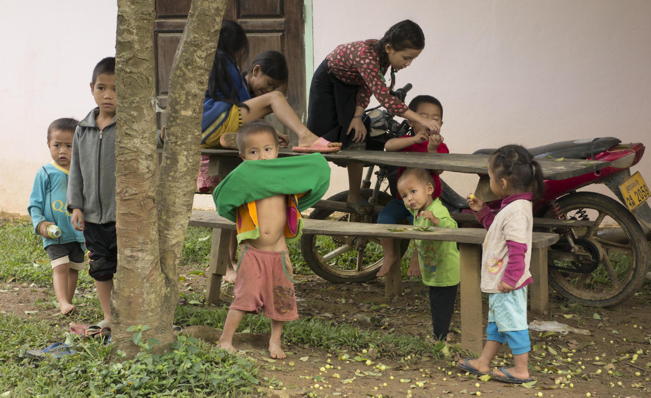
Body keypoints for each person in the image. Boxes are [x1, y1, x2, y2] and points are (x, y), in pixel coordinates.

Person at [212, 121, 330, 359]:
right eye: (253, 152)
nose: (262, 157)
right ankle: (225, 339)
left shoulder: (284, 183)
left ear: (277, 150)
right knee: (245, 297)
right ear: (243, 156)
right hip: (252, 252)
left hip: (277, 252)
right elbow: (224, 197)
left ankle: (274, 342)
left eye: (267, 149)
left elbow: (317, 167)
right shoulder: (246, 182)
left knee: (281, 299)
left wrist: (285, 255)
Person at [307, 19, 441, 210]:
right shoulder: (367, 56)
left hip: (349, 89)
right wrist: (420, 118)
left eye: (412, 59)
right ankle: (302, 192)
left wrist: (356, 117)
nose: (408, 64)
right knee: (317, 139)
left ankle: (354, 196)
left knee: (357, 135)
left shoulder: (382, 59)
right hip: (328, 84)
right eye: (406, 58)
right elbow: (386, 99)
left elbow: (366, 88)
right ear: (389, 47)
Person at [458, 144, 543, 384]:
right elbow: (498, 231)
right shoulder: (512, 206)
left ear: (503, 183)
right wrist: (482, 211)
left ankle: (521, 370)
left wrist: (511, 278)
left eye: (490, 177)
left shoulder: (516, 211)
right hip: (502, 282)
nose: (490, 182)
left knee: (514, 326)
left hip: (508, 283)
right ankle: (483, 362)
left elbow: (518, 249)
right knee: (497, 325)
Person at [67, 56, 117, 330]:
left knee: (128, 266)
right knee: (100, 267)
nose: (108, 95)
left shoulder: (130, 128)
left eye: (116, 89)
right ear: (92, 88)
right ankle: (109, 316)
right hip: (93, 218)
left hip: (123, 216)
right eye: (102, 88)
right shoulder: (82, 130)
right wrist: (76, 206)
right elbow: (76, 169)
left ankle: (131, 315)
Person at [376, 95, 449, 277]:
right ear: (412, 120)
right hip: (404, 200)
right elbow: (388, 146)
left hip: (428, 204)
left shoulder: (440, 146)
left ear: (441, 123)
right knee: (384, 218)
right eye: (423, 116)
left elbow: (438, 170)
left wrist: (431, 149)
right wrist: (414, 139)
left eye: (435, 118)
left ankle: (418, 256)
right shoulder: (407, 141)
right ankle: (390, 255)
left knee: (421, 226)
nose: (429, 121)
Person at [28, 118, 86, 315]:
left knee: (73, 268)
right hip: (55, 233)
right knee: (60, 266)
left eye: (69, 146)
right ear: (48, 145)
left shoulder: (83, 173)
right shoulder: (45, 173)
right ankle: (61, 301)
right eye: (57, 145)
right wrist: (41, 224)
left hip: (77, 234)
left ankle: (67, 302)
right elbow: (34, 203)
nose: (63, 151)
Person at [395, 168, 460, 341]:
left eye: (413, 192)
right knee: (436, 303)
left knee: (442, 306)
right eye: (404, 196)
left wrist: (435, 221)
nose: (409, 199)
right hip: (433, 269)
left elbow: (452, 227)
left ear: (429, 189)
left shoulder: (437, 210)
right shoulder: (417, 211)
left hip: (446, 269)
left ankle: (441, 338)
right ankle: (440, 334)